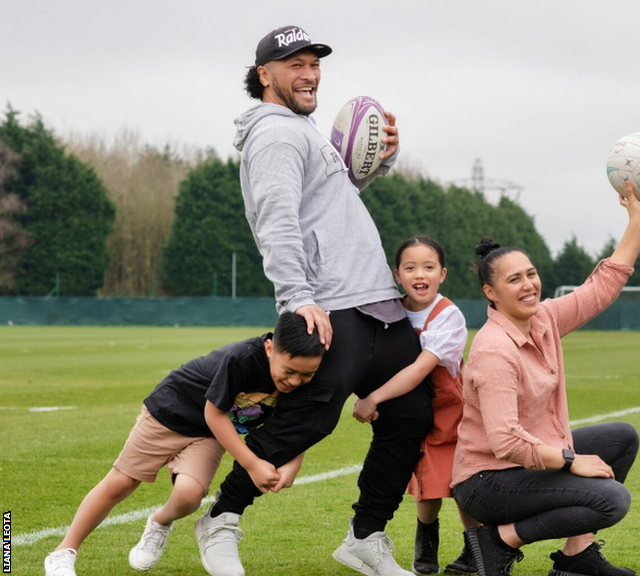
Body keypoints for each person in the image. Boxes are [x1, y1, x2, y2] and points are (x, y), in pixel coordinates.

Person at [196, 25, 434, 576]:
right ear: (265, 76)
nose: (309, 75)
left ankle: (366, 536)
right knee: (310, 419)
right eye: (295, 65)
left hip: (376, 301)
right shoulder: (276, 135)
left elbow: (328, 205)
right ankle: (222, 516)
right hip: (331, 301)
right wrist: (298, 297)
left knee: (411, 412)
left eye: (315, 64)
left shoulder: (302, 132)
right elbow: (278, 220)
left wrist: (378, 161)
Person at [450, 181, 640, 576]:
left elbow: (603, 286)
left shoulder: (542, 318)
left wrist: (637, 221)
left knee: (621, 439)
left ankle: (576, 558)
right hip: (488, 482)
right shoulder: (494, 349)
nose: (528, 285)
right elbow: (504, 441)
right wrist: (570, 460)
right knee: (612, 500)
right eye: (514, 280)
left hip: (530, 462)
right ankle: (497, 542)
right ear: (490, 293)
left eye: (531, 274)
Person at [43, 312, 324, 576]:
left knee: (190, 495)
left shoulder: (306, 377)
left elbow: (298, 423)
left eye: (305, 375)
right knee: (121, 483)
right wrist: (252, 464)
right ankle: (63, 552)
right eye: (288, 371)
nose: (294, 381)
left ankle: (159, 521)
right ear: (270, 348)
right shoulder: (242, 358)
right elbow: (213, 412)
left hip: (210, 431)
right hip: (170, 413)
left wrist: (294, 462)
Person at [351, 235, 478, 575]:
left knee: (461, 478)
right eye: (410, 267)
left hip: (449, 409)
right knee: (426, 481)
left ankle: (475, 549)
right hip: (408, 407)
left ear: (443, 273)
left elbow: (422, 368)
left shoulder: (447, 316)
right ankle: (426, 544)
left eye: (428, 267)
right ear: (397, 274)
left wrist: (374, 397)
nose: (419, 274)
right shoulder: (389, 307)